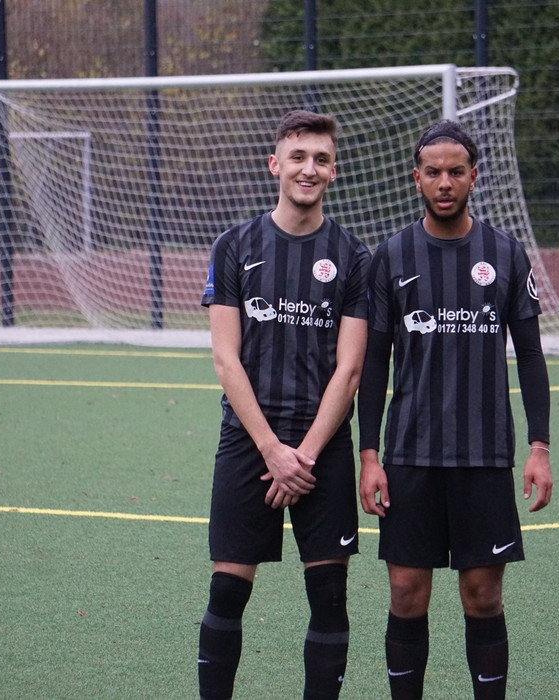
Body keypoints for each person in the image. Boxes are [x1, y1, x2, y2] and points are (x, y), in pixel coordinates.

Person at [357, 120, 553, 700]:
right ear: (416, 178)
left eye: (456, 171)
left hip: (483, 455)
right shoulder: (391, 256)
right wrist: (369, 456)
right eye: (433, 172)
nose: (445, 182)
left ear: (474, 176)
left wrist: (539, 447)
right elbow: (373, 363)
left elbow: (531, 355)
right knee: (406, 595)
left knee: (483, 598)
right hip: (410, 456)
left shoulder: (505, 253)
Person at [197, 110, 371, 700]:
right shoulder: (234, 246)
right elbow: (226, 360)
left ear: (334, 171)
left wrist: (305, 455)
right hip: (249, 442)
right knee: (227, 591)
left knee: (329, 597)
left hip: (323, 447)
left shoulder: (354, 256)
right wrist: (272, 450)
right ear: (275, 164)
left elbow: (350, 370)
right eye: (298, 157)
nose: (308, 169)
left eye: (321, 159)